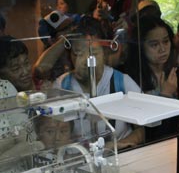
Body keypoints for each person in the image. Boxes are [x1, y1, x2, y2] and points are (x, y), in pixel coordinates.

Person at [55, 18, 144, 150]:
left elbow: (142, 129)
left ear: (105, 53)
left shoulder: (121, 82)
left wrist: (114, 146)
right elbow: (52, 133)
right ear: (70, 55)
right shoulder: (62, 86)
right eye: (78, 53)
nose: (87, 60)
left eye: (94, 53)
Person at [121, 14, 179, 141]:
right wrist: (165, 95)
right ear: (141, 47)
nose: (162, 49)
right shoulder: (132, 79)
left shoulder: (174, 71)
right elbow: (147, 132)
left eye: (166, 41)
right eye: (154, 45)